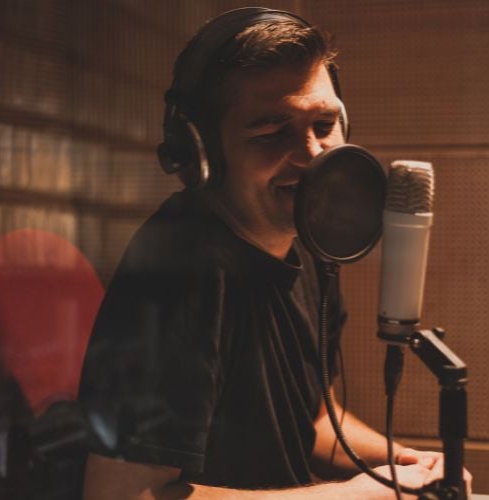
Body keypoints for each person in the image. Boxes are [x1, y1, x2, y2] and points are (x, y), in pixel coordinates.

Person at [78, 8, 468, 498]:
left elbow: (314, 419)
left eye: (324, 124)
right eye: (269, 132)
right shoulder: (178, 270)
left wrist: (405, 464)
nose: (311, 156)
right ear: (201, 152)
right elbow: (119, 494)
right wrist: (357, 496)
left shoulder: (311, 247)